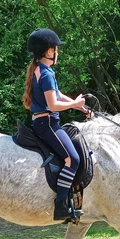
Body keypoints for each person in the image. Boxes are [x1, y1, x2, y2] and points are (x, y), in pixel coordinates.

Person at [22, 28, 92, 221]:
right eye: (55, 49)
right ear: (47, 51)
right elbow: (53, 104)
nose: (57, 53)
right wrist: (75, 104)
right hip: (49, 124)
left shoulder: (40, 69)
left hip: (42, 122)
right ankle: (61, 205)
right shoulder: (46, 74)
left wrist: (79, 107)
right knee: (73, 159)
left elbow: (56, 95)